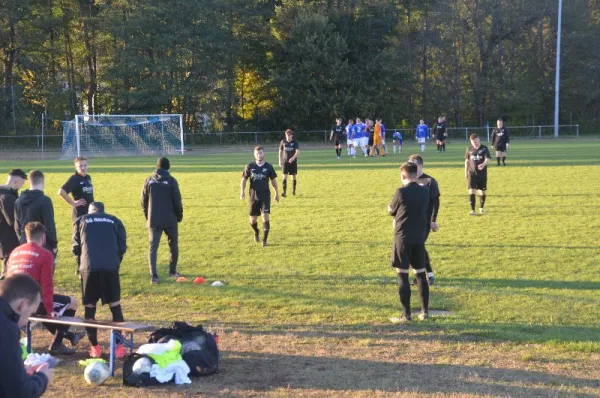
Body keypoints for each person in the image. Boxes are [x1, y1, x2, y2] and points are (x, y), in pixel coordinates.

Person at [7, 222, 84, 355]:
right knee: (72, 303)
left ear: (27, 236)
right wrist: (50, 310)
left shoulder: (15, 252)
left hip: (11, 302)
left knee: (47, 307)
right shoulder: (45, 254)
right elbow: (46, 285)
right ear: (43, 237)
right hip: (30, 301)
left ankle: (70, 336)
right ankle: (57, 344)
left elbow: (8, 278)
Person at [72, 202, 127, 358]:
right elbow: (122, 247)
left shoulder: (81, 220)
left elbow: (75, 247)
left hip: (88, 268)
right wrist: (116, 262)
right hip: (110, 267)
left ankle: (95, 347)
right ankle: (119, 347)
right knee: (115, 306)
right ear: (103, 211)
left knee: (90, 308)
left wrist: (80, 264)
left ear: (90, 211)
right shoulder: (115, 220)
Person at [387, 163, 430, 322]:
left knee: (402, 274)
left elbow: (392, 210)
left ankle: (406, 314)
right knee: (420, 273)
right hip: (419, 238)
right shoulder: (425, 191)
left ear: (403, 176)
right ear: (416, 174)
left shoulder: (400, 192)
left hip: (403, 238)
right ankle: (425, 312)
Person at [0, 273, 54, 397]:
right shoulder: (6, 328)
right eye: (30, 313)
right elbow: (19, 393)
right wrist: (42, 378)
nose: (26, 321)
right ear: (22, 305)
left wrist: (19, 370)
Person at [141, 157, 183, 284]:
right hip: (170, 219)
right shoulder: (171, 181)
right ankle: (172, 271)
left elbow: (143, 201)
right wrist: (179, 215)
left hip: (154, 219)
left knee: (153, 247)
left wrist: (147, 216)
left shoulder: (149, 180)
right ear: (168, 167)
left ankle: (154, 276)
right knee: (173, 244)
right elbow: (177, 201)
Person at [408, 155, 440, 286]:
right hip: (411, 221)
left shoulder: (430, 181)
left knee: (418, 246)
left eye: (413, 165)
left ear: (421, 166)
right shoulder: (409, 179)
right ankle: (425, 275)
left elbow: (436, 202)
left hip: (424, 221)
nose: (410, 167)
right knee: (415, 247)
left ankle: (427, 275)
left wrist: (433, 220)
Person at [14, 170, 58, 262]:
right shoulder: (45, 200)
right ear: (43, 182)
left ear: (29, 182)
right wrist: (54, 245)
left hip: (25, 242)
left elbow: (17, 226)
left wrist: (22, 240)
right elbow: (49, 226)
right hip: (42, 244)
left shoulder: (18, 201)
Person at [240, 146, 280, 247]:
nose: (259, 155)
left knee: (265, 217)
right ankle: (257, 232)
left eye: (261, 153)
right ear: (254, 154)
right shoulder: (250, 166)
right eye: (257, 153)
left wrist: (276, 193)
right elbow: (244, 180)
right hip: (253, 197)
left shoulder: (269, 167)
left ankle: (265, 240)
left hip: (265, 196)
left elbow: (273, 181)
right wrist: (242, 192)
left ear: (264, 154)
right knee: (252, 220)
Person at [0, 168, 27, 279]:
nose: (21, 186)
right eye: (21, 183)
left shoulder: (4, 191)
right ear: (16, 181)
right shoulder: (7, 197)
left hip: (3, 235)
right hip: (7, 236)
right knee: (9, 263)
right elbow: (12, 220)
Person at [58, 156, 94, 223]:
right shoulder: (74, 178)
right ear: (76, 167)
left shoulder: (88, 177)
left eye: (85, 165)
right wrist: (73, 202)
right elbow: (61, 191)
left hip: (89, 212)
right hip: (79, 214)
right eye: (80, 166)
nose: (83, 168)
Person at [465, 134, 491, 215]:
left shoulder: (484, 148)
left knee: (482, 192)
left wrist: (483, 164)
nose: (474, 144)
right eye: (473, 142)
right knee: (472, 191)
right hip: (471, 173)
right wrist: (465, 172)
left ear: (479, 140)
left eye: (476, 142)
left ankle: (481, 208)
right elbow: (467, 161)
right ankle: (472, 210)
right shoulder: (469, 149)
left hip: (482, 174)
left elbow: (488, 159)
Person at [278, 129, 300, 197]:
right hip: (285, 162)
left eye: (289, 136)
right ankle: (284, 192)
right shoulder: (283, 142)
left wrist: (293, 158)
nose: (288, 137)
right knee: (284, 177)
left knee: (293, 177)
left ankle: (293, 191)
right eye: (287, 136)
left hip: (293, 163)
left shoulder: (295, 142)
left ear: (292, 135)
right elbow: (280, 151)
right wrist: (280, 160)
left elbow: (297, 151)